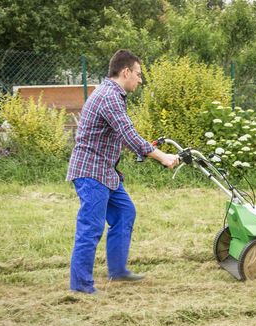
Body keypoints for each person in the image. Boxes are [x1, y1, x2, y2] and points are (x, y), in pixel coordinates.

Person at [66, 50, 179, 294]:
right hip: (91, 171)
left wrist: (149, 151)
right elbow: (128, 134)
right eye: (138, 74)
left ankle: (117, 272)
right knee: (91, 227)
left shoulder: (112, 95)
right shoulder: (109, 96)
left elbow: (124, 137)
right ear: (125, 72)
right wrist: (163, 157)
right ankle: (81, 287)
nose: (140, 80)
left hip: (105, 172)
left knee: (125, 212)